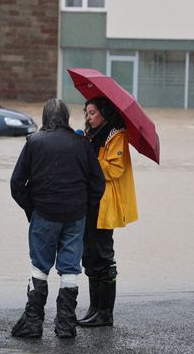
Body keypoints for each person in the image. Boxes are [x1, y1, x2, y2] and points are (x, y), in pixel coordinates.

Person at [10, 98, 105, 339]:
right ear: (67, 117)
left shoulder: (34, 142)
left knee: (40, 267)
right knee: (70, 268)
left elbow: (17, 183)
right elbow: (98, 183)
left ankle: (33, 322)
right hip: (75, 215)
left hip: (43, 213)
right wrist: (84, 207)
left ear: (44, 117)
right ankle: (66, 325)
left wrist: (31, 208)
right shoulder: (82, 143)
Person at [77, 97, 138, 327]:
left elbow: (114, 169)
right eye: (86, 113)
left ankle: (105, 313)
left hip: (105, 203)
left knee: (103, 255)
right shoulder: (92, 135)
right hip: (90, 202)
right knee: (90, 256)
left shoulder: (117, 136)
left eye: (92, 113)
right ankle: (94, 308)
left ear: (103, 113)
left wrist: (89, 160)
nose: (88, 117)